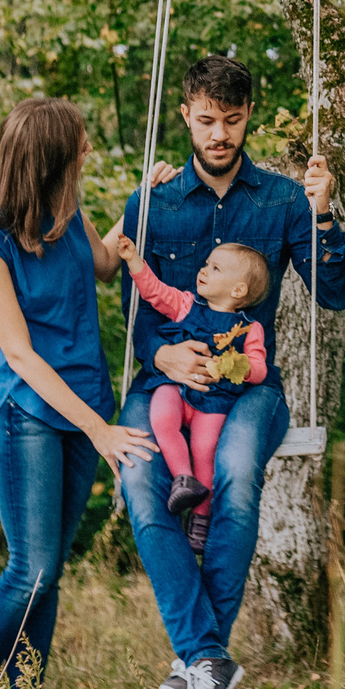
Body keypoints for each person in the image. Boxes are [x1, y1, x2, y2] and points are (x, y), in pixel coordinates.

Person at [114, 54, 345, 689]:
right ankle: (206, 656)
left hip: (250, 391)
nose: (220, 135)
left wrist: (323, 214)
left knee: (237, 473)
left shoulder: (280, 199)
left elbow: (332, 295)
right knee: (140, 480)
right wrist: (161, 351)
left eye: (234, 121)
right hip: (165, 382)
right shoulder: (151, 201)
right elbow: (136, 319)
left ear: (248, 118)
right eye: (209, 120)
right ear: (186, 114)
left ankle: (197, 659)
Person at [0, 96, 167, 689]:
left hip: (83, 406)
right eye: (79, 146)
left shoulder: (65, 213)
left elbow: (102, 264)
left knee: (51, 573)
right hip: (29, 414)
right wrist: (99, 429)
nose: (87, 153)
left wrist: (141, 200)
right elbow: (18, 354)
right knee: (30, 569)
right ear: (49, 159)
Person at [104, 232, 271, 543]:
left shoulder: (249, 329)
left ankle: (201, 515)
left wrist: (235, 366)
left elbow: (259, 368)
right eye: (206, 264)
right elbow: (155, 293)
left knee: (206, 449)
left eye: (215, 268)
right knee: (161, 415)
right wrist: (133, 261)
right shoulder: (186, 304)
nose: (203, 270)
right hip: (177, 387)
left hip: (213, 399)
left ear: (239, 289)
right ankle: (184, 479)